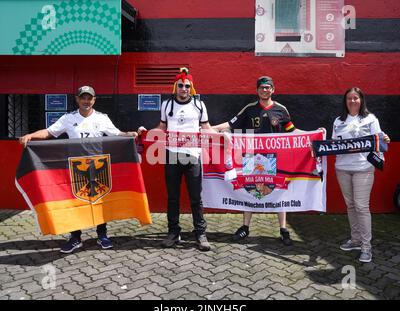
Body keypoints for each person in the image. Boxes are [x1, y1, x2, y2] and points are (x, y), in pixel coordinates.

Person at [19, 85, 138, 254]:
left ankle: (102, 235)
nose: (86, 101)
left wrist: (129, 134)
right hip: (76, 168)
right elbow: (49, 132)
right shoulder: (68, 118)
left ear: (94, 100)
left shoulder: (102, 118)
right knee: (75, 202)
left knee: (100, 199)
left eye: (89, 98)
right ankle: (75, 237)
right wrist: (30, 136)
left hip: (98, 166)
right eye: (83, 97)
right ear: (77, 99)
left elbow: (116, 134)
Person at [212, 76, 295, 245]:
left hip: (274, 157)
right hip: (252, 157)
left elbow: (292, 130)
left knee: (279, 192)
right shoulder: (249, 109)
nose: (265, 90)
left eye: (268, 87)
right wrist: (209, 129)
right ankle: (245, 227)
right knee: (250, 190)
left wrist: (315, 134)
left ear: (273, 89)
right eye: (262, 87)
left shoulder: (281, 109)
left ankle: (283, 230)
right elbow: (230, 124)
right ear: (257, 90)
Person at [139, 67, 214, 251]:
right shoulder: (167, 105)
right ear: (175, 87)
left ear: (191, 88)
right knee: (173, 198)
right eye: (180, 86)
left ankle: (200, 233)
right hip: (172, 157)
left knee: (196, 198)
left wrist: (225, 136)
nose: (184, 89)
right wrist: (146, 132)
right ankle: (173, 232)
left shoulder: (199, 105)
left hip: (193, 157)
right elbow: (161, 128)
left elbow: (206, 128)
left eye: (187, 86)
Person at [333, 87, 390, 263]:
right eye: (349, 98)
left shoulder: (370, 119)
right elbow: (333, 143)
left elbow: (379, 140)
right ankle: (355, 240)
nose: (352, 101)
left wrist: (385, 140)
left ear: (361, 100)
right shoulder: (338, 121)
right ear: (345, 101)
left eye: (355, 98)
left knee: (361, 207)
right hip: (342, 167)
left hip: (363, 167)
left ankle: (366, 247)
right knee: (350, 205)